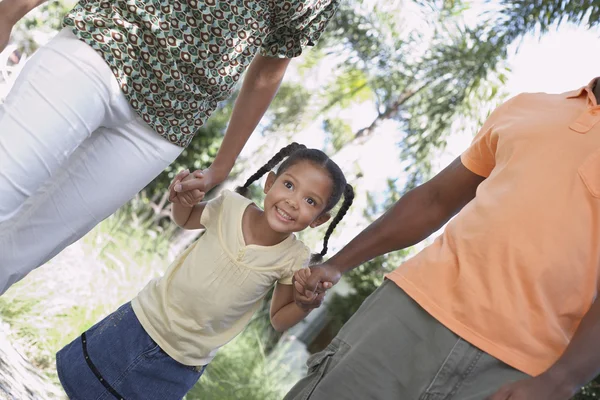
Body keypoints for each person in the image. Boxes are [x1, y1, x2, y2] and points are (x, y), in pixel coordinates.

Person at [287, 78, 600, 400]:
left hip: (515, 368)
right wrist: (337, 264)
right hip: (406, 313)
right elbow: (435, 200)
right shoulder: (528, 107)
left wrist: (562, 380)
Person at [0, 0, 340, 295]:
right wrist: (9, 13)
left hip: (162, 129)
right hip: (104, 46)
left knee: (22, 252)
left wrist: (221, 167)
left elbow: (269, 69)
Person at [55, 142, 353, 399]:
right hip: (143, 319)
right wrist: (182, 200)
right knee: (78, 387)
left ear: (319, 220)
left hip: (185, 358)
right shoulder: (230, 206)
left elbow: (278, 319)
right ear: (270, 183)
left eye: (310, 201)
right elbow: (186, 219)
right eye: (289, 185)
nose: (292, 201)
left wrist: (303, 304)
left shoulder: (294, 257)